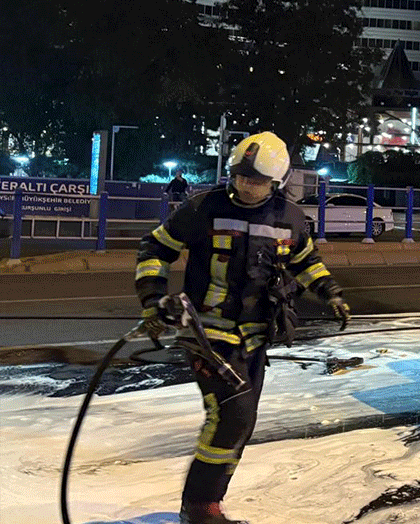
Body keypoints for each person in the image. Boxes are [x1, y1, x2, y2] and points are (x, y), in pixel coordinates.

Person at [136, 132, 350, 524]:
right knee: (231, 416)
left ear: (277, 181)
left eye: (257, 180)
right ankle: (200, 508)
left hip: (255, 338)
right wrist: (154, 300)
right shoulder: (203, 209)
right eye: (242, 177)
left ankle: (208, 503)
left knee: (242, 422)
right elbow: (155, 249)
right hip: (207, 335)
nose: (247, 186)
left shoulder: (290, 218)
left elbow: (306, 260)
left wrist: (330, 291)